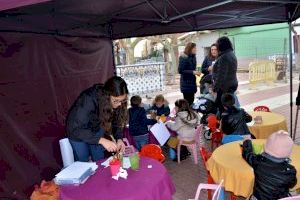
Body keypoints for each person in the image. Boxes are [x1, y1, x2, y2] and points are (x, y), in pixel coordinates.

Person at [66, 76, 128, 162]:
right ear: (107, 96)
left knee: (99, 159)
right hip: (78, 131)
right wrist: (101, 140)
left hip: (96, 128)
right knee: (83, 162)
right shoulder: (88, 99)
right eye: (115, 101)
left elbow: (116, 120)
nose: (119, 104)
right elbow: (76, 128)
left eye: (122, 100)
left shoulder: (117, 101)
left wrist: (119, 138)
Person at [242, 131, 297, 200]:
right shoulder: (290, 170)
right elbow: (292, 184)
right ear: (288, 153)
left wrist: (247, 141)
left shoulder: (258, 161)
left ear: (266, 147)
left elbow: (247, 154)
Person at [213, 37, 238, 115]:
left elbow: (221, 76)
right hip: (232, 84)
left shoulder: (224, 57)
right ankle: (230, 123)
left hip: (224, 87)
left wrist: (215, 89)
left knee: (223, 109)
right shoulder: (231, 54)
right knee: (229, 107)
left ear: (221, 45)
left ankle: (224, 124)